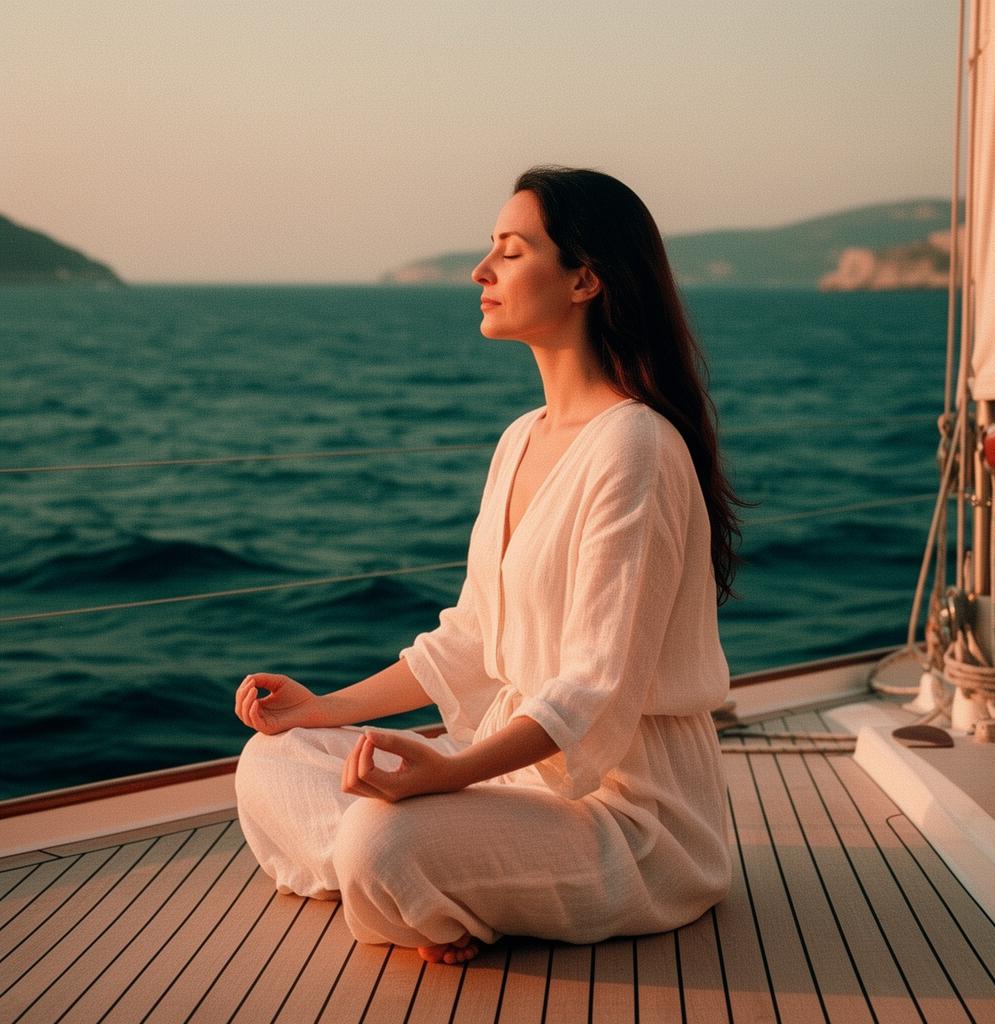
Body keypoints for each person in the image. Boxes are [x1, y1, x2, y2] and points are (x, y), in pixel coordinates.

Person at [233, 165, 742, 966]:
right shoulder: (521, 438)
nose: (482, 272)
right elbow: (468, 638)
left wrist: (450, 775)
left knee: (380, 841)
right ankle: (438, 883)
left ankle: (414, 878)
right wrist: (320, 710)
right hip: (513, 786)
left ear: (585, 280)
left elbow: (593, 691)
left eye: (510, 251)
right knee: (273, 757)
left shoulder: (637, 449)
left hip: (629, 820)